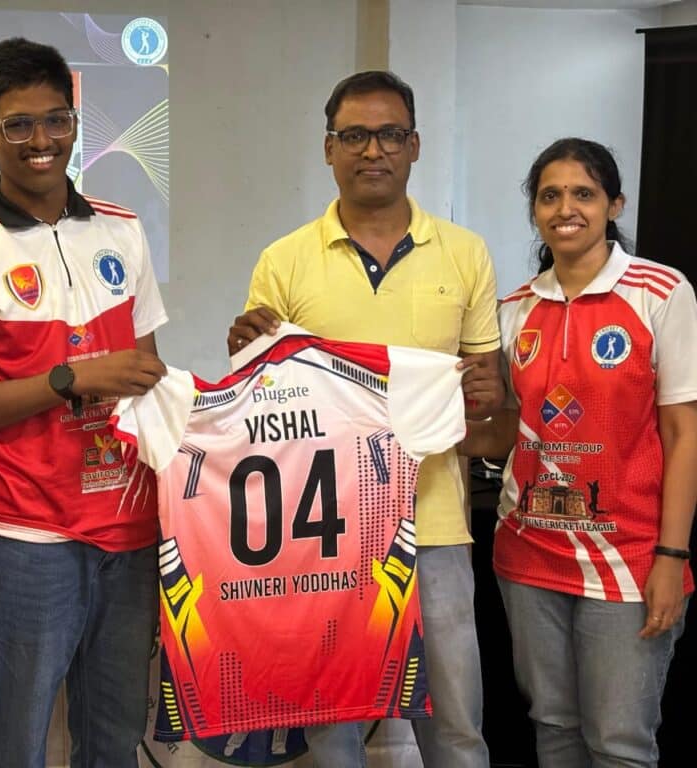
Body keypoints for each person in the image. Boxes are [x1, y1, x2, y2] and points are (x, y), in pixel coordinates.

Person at [228, 70, 501, 767]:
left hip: (434, 525)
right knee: (333, 727)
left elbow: (486, 396)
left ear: (415, 145)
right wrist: (246, 357)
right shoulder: (284, 260)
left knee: (457, 724)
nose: (372, 150)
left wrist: (481, 394)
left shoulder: (465, 253)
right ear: (329, 148)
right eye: (354, 135)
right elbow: (266, 400)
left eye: (389, 135)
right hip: (324, 533)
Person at [0, 37, 168, 768]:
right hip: (25, 541)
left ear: (74, 122)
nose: (41, 141)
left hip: (128, 530)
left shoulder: (123, 227)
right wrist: (70, 378)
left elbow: (146, 372)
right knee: (13, 745)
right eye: (18, 125)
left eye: (56, 120)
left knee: (114, 740)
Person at [462, 137, 697, 767]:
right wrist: (411, 420)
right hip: (527, 553)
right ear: (535, 210)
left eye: (583, 194)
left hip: (627, 558)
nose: (566, 208)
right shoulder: (514, 309)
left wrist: (672, 556)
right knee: (554, 727)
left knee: (620, 743)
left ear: (614, 204)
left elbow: (684, 435)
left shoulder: (660, 292)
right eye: (550, 195)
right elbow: (506, 433)